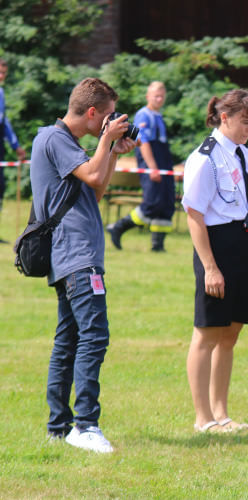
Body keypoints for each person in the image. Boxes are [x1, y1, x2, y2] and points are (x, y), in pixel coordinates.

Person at [30, 77, 137, 452]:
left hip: (76, 254)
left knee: (69, 340)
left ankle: (58, 426)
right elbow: (92, 174)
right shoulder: (53, 137)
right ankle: (85, 424)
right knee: (94, 336)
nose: (111, 123)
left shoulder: (70, 143)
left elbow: (96, 187)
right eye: (108, 117)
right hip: (76, 256)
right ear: (92, 112)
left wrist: (114, 152)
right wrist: (105, 142)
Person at [182, 89, 248, 433]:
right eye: (246, 122)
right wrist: (210, 267)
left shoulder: (243, 154)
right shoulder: (204, 158)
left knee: (231, 333)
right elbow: (194, 215)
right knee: (206, 332)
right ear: (225, 117)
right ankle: (202, 418)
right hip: (216, 247)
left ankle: (221, 413)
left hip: (243, 244)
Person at [107, 81, 175, 252]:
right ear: (148, 96)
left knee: (166, 203)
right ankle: (118, 227)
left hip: (164, 160)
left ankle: (157, 246)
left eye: (162, 96)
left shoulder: (159, 116)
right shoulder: (143, 115)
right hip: (151, 161)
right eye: (155, 96)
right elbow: (142, 142)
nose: (159, 99)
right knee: (152, 202)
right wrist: (152, 167)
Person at [0, 58, 27, 242]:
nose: (2, 76)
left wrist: (15, 145)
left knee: (0, 188)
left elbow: (4, 121)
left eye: (4, 73)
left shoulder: (1, 93)